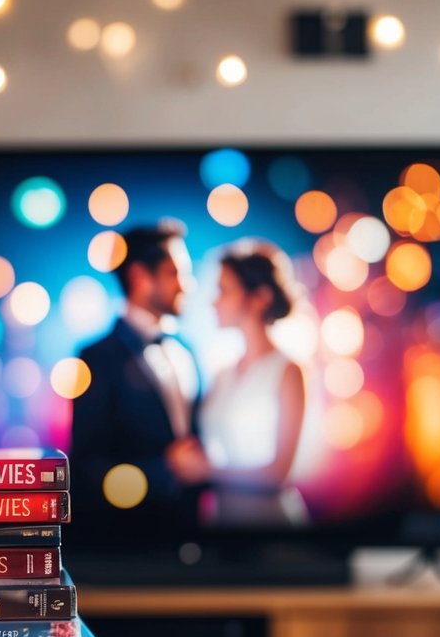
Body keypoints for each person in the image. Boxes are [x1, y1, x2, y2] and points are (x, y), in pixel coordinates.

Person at [70, 224, 203, 529]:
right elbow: (87, 468)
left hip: (197, 533)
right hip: (133, 538)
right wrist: (164, 470)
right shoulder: (97, 358)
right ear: (140, 277)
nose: (187, 285)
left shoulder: (186, 348)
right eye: (176, 272)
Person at [166, 244, 308, 525]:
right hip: (220, 522)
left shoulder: (288, 371)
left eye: (224, 290)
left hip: (270, 525)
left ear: (259, 298)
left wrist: (207, 471)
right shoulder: (223, 373)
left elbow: (280, 473)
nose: (213, 302)